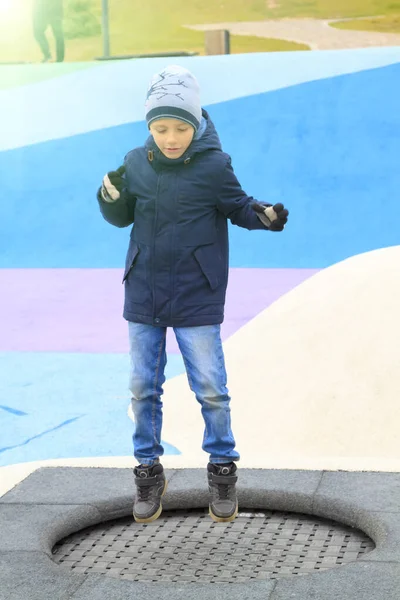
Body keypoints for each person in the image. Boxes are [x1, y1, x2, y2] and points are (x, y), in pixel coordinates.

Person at [97, 65, 289, 524]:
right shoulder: (135, 161)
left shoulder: (214, 166)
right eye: (160, 128)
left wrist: (264, 215)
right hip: (143, 293)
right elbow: (121, 216)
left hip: (196, 295)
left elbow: (237, 206)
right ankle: (148, 471)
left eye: (180, 127)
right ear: (149, 127)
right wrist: (108, 198)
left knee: (211, 389)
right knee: (143, 388)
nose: (170, 137)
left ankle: (222, 470)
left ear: (196, 124)